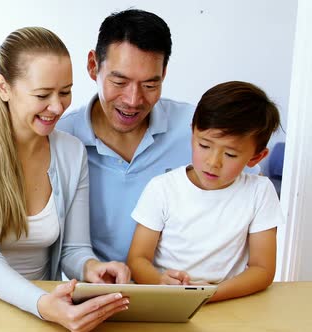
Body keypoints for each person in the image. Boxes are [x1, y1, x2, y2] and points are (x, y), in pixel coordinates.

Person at [0, 27, 130, 331]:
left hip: (39, 308)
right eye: (42, 95)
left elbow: (74, 250)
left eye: (65, 92)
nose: (58, 107)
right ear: (4, 88)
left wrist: (93, 268)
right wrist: (41, 304)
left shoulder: (72, 152)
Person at [56, 9, 258, 264]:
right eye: (119, 82)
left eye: (150, 85)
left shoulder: (199, 129)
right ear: (93, 66)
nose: (133, 100)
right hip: (95, 289)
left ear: (163, 74)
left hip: (183, 289)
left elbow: (250, 185)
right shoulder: (61, 138)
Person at [127, 81, 282, 302]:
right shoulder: (162, 188)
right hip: (168, 299)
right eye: (204, 146)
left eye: (230, 154)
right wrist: (160, 281)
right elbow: (137, 259)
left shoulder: (259, 192)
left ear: (256, 157)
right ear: (192, 132)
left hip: (228, 300)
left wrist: (210, 294)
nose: (213, 162)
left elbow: (262, 269)